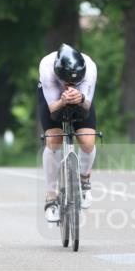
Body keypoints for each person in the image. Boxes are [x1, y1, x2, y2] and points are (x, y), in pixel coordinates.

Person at [38, 43, 98, 223]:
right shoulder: (47, 67)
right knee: (54, 139)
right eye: (67, 82)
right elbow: (52, 109)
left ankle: (84, 178)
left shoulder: (90, 68)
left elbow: (86, 106)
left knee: (87, 141)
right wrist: (62, 100)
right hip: (53, 98)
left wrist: (79, 98)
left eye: (75, 82)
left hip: (81, 98)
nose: (70, 85)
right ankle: (51, 197)